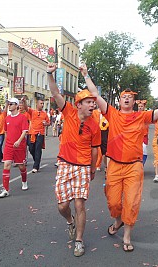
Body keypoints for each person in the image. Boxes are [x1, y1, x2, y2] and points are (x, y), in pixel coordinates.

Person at [81, 63, 158, 252]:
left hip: (134, 166)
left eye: (129, 97)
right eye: (123, 97)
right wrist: (85, 75)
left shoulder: (142, 117)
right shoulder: (112, 114)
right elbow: (95, 95)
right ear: (119, 100)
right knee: (114, 202)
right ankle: (117, 222)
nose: (126, 99)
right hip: (115, 165)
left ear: (134, 102)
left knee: (131, 202)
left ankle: (127, 236)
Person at [47, 63, 101, 257]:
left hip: (83, 167)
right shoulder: (68, 112)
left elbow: (95, 149)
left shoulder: (94, 125)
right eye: (89, 102)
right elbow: (54, 92)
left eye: (93, 103)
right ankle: (70, 222)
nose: (92, 105)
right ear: (79, 104)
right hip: (64, 164)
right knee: (62, 205)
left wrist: (93, 169)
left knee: (80, 204)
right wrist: (49, 74)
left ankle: (79, 240)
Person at [0, 98, 29, 198]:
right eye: (8, 104)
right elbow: (6, 131)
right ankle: (6, 189)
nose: (9, 106)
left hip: (19, 146)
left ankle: (24, 181)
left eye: (11, 104)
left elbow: (25, 131)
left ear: (16, 105)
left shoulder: (22, 117)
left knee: (21, 166)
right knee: (6, 165)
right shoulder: (7, 118)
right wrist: (7, 142)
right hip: (9, 146)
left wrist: (18, 141)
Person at [23, 98, 50, 173]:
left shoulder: (44, 114)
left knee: (38, 149)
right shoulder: (32, 112)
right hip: (32, 133)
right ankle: (36, 160)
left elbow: (48, 123)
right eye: (41, 103)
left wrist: (46, 123)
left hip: (40, 134)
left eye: (43, 104)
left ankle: (36, 166)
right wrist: (24, 101)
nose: (42, 105)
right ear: (37, 104)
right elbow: (26, 108)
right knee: (31, 148)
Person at [136, 100, 149, 166]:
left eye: (141, 106)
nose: (140, 107)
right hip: (136, 136)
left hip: (144, 136)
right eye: (139, 106)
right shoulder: (134, 114)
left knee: (144, 151)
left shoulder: (147, 115)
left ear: (144, 107)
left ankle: (141, 165)